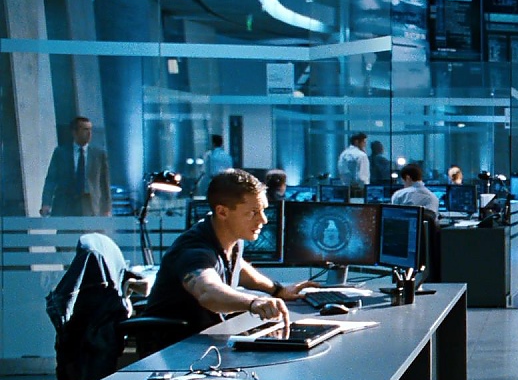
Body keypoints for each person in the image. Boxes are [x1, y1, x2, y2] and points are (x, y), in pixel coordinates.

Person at [141, 169, 318, 353]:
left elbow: (238, 267)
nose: (263, 220)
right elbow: (207, 292)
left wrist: (277, 290)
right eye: (253, 212)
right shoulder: (194, 251)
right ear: (222, 212)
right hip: (173, 351)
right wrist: (253, 302)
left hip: (206, 341)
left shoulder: (229, 237)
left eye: (263, 210)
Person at [41, 116, 111, 217]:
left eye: (90, 129)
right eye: (85, 129)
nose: (89, 133)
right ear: (75, 132)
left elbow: (104, 183)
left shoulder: (99, 155)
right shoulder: (61, 153)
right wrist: (46, 203)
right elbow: (51, 179)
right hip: (66, 204)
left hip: (90, 204)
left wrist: (107, 208)